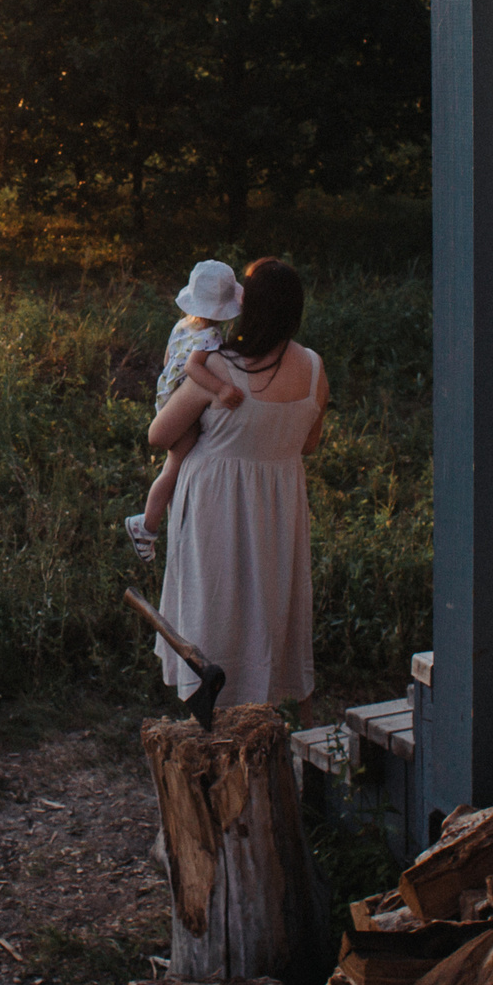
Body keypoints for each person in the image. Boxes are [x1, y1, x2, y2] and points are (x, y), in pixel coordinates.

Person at [143, 257, 327, 707]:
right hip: (278, 508)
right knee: (266, 605)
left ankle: (210, 711)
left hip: (215, 506)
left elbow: (159, 434)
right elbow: (308, 444)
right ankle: (261, 707)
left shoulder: (218, 368)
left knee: (215, 607)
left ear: (247, 306)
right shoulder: (314, 369)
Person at [124, 260, 247, 562]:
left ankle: (166, 523)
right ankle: (146, 525)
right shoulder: (211, 338)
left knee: (177, 466)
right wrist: (220, 388)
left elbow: (169, 359)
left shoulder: (182, 325)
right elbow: (193, 368)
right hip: (181, 405)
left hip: (168, 397)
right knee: (175, 466)